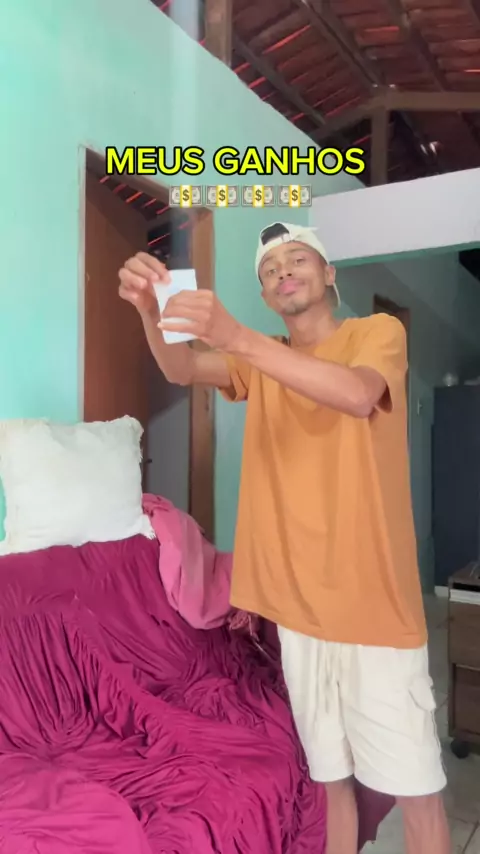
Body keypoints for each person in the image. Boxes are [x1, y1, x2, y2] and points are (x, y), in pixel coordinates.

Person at [118, 222, 449, 854]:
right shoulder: (261, 356)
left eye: (297, 259)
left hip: (373, 609)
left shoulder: (376, 333)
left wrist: (236, 336)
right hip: (298, 614)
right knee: (333, 783)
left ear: (329, 274)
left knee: (418, 794)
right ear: (267, 295)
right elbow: (182, 367)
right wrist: (147, 311)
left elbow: (358, 395)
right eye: (269, 270)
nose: (283, 272)